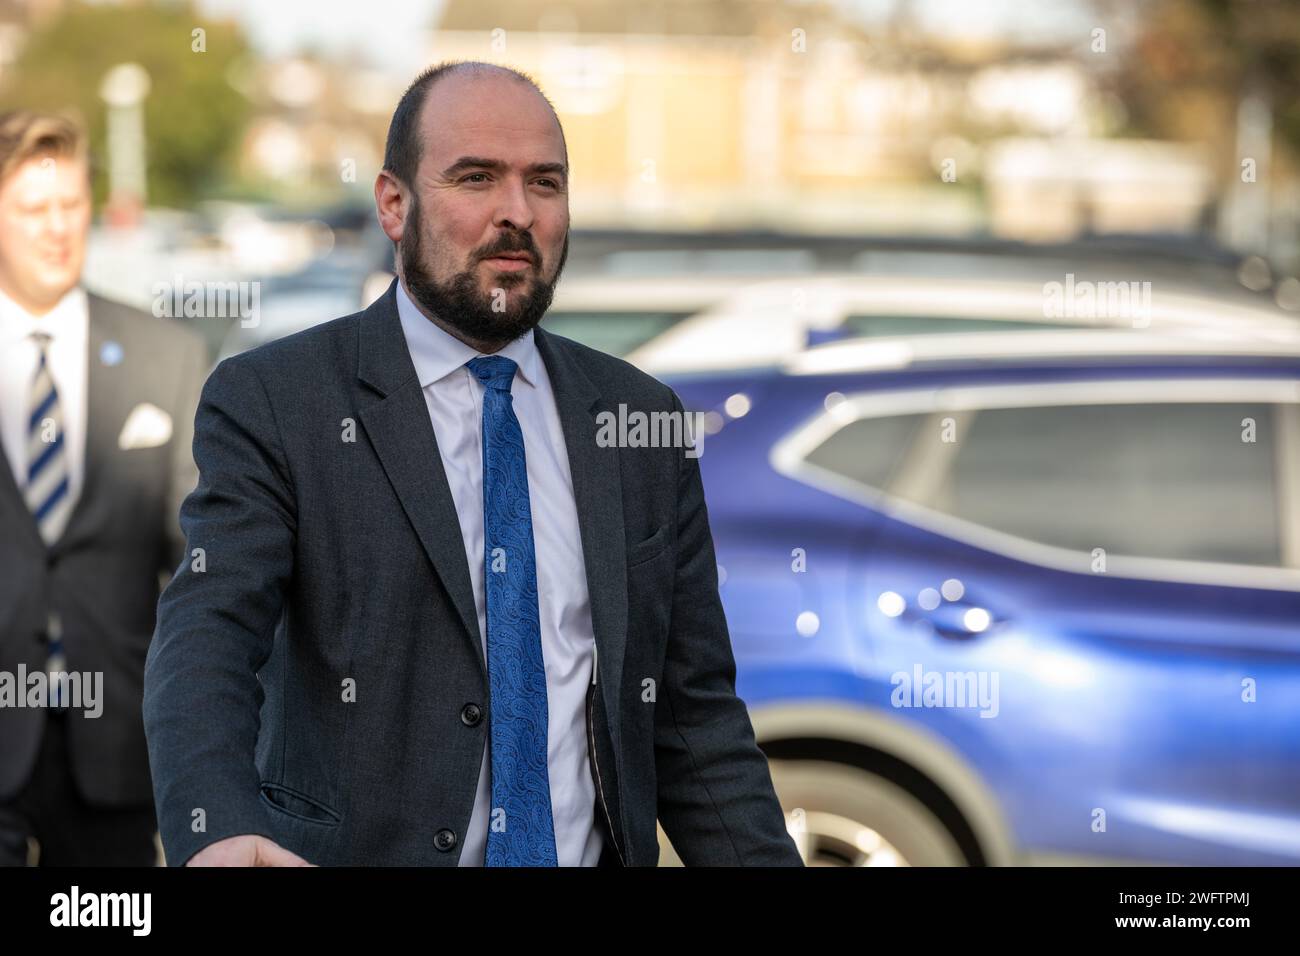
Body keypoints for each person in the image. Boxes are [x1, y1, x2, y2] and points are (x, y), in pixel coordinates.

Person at [143, 61, 803, 867]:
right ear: (394, 203)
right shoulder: (280, 401)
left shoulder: (640, 422)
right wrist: (218, 829)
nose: (517, 213)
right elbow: (208, 635)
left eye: (546, 183)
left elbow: (693, 719)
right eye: (477, 178)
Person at [0, 110, 208, 865]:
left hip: (117, 751)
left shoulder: (166, 357)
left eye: (70, 206)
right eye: (32, 210)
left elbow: (201, 560)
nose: (57, 229)